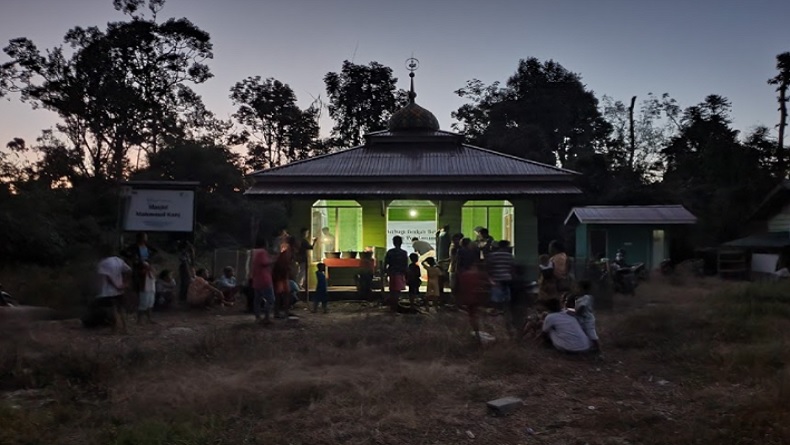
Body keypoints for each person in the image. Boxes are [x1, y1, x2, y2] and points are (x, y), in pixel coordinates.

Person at [95, 247, 132, 333]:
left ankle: (115, 328)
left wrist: (116, 286)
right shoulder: (118, 260)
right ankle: (125, 328)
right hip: (120, 289)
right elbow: (129, 270)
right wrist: (125, 283)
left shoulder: (102, 263)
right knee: (121, 309)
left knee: (113, 310)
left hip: (109, 291)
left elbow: (107, 277)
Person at [457, 263, 490, 342]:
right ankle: (480, 331)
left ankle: (475, 331)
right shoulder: (479, 275)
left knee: (472, 315)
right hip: (479, 297)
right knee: (479, 314)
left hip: (468, 298)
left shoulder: (463, 275)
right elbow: (487, 284)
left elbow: (459, 287)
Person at [486, 240, 515, 330]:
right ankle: (507, 321)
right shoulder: (510, 256)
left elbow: (488, 268)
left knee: (496, 301)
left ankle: (496, 321)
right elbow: (512, 268)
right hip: (507, 279)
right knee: (506, 301)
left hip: (496, 280)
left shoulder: (492, 255)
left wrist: (490, 278)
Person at [250, 238, 275, 325]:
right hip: (264, 279)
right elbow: (264, 263)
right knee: (271, 299)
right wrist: (273, 261)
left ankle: (258, 317)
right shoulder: (262, 252)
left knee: (257, 300)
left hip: (256, 279)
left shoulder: (253, 252)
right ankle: (266, 317)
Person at [273, 236, 296, 318]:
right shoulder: (286, 252)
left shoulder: (288, 251)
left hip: (283, 275)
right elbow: (282, 264)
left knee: (286, 293)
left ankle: (285, 311)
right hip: (280, 275)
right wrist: (288, 269)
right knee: (280, 294)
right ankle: (277, 312)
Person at [573, 280, 600, 352]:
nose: (576, 290)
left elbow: (582, 307)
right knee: (584, 332)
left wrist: (575, 313)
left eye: (577, 288)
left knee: (591, 333)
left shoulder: (587, 297)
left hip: (587, 319)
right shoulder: (579, 298)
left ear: (582, 289)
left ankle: (597, 347)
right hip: (582, 319)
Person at [384, 235, 408, 311]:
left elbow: (386, 263)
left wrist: (385, 272)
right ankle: (395, 304)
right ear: (401, 243)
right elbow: (405, 264)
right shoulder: (403, 253)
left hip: (392, 272)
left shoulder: (390, 252)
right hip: (400, 273)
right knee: (397, 290)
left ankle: (393, 305)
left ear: (393, 243)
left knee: (392, 289)